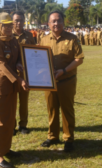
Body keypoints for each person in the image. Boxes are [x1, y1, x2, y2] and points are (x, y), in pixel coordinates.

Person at [0, 12, 29, 168]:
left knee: (10, 120)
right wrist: (19, 79)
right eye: (5, 25)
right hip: (0, 87)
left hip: (12, 87)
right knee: (0, 121)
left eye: (11, 25)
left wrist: (18, 64)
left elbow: (17, 57)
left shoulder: (14, 41)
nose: (9, 28)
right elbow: (1, 65)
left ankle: (6, 149)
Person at [40, 11, 84, 152]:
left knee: (67, 110)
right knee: (52, 109)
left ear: (63, 22)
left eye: (59, 20)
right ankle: (53, 136)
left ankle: (68, 138)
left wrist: (64, 71)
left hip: (67, 80)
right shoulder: (43, 39)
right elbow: (38, 59)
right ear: (48, 24)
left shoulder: (72, 39)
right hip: (49, 82)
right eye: (53, 21)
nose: (56, 23)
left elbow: (79, 59)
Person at [12, 11, 36, 135]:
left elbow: (34, 51)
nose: (18, 23)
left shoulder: (29, 36)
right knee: (12, 101)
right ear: (12, 22)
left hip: (26, 73)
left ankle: (23, 125)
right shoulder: (8, 36)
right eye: (16, 20)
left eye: (21, 20)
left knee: (24, 101)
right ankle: (12, 126)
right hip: (11, 74)